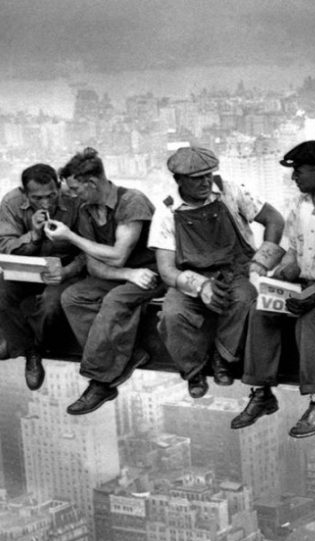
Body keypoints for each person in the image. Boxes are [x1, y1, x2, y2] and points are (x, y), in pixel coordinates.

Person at [231, 141, 315, 436]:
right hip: (303, 285)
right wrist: (281, 275)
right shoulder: (301, 205)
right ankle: (261, 392)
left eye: (299, 172)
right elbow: (293, 250)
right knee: (261, 310)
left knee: (310, 321)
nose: (294, 178)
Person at [150, 146, 285, 398]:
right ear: (178, 180)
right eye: (196, 178)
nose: (205, 182)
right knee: (172, 314)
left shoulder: (230, 191)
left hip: (235, 272)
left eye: (208, 175)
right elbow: (166, 270)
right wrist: (200, 286)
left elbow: (275, 220)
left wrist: (260, 263)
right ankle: (193, 371)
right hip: (190, 277)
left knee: (244, 300)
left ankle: (224, 359)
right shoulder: (167, 211)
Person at [49, 148, 165, 414]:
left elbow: (116, 255)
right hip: (126, 275)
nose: (74, 194)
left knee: (115, 301)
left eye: (76, 188)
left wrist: (71, 237)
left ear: (92, 183)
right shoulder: (87, 208)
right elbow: (93, 262)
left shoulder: (131, 201)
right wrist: (127, 274)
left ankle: (100, 381)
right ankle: (127, 356)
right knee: (73, 297)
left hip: (152, 273)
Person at [0, 163, 84, 389]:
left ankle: (21, 344)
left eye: (51, 195)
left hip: (64, 271)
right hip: (26, 268)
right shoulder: (12, 203)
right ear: (25, 193)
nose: (46, 203)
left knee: (51, 305)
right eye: (38, 198)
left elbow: (88, 249)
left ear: (59, 187)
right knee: (2, 293)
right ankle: (31, 351)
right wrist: (34, 236)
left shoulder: (76, 202)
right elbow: (5, 247)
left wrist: (67, 271)